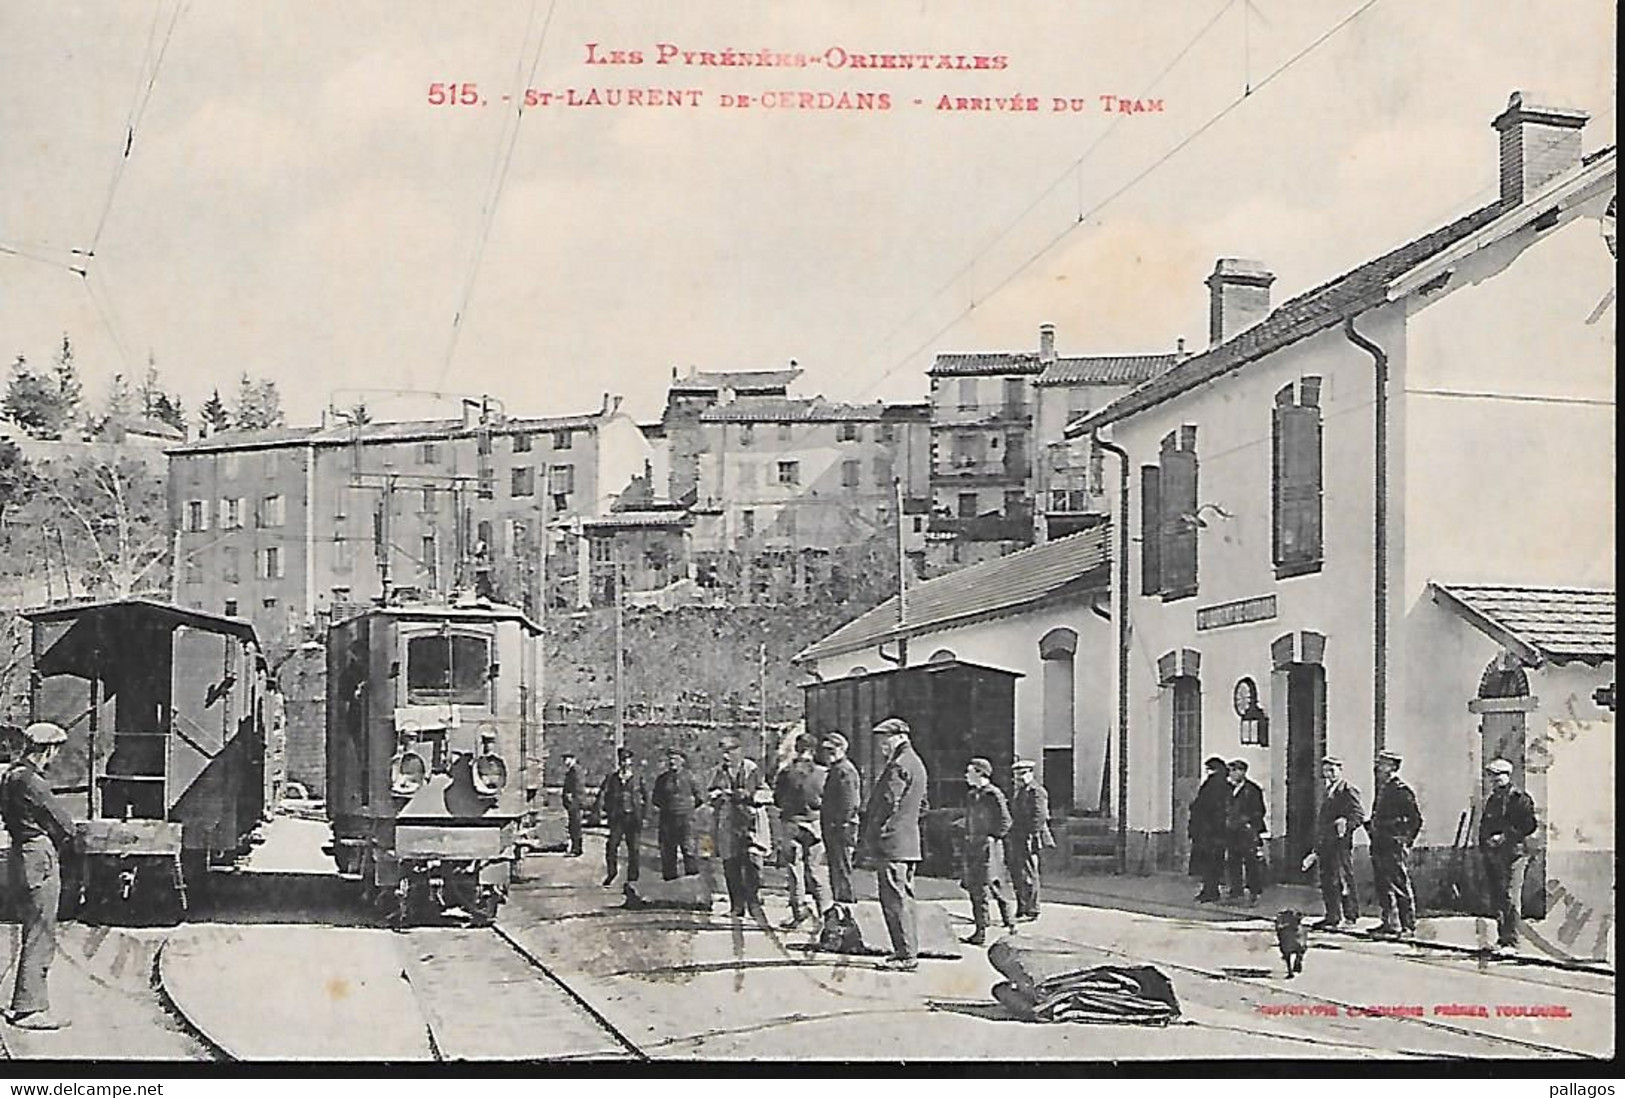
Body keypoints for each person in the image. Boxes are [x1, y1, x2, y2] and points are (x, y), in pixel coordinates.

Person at [1, 721, 77, 1030]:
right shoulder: (34, 782)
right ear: (49, 749)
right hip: (38, 854)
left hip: (19, 852)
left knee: (29, 929)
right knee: (41, 933)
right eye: (56, 750)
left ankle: (24, 1001)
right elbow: (65, 824)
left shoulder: (10, 776)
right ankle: (30, 1008)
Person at [858, 717, 929, 971]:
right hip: (908, 843)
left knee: (894, 900)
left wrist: (875, 833)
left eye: (884, 740)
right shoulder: (917, 764)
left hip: (891, 844)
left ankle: (905, 955)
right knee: (904, 899)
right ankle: (907, 951)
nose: (881, 746)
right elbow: (923, 806)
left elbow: (887, 802)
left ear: (898, 736)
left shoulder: (898, 766)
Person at [1479, 758, 1538, 951]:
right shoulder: (1493, 800)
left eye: (1498, 776)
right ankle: (1502, 938)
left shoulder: (1519, 798)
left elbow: (1528, 825)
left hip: (1514, 853)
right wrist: (1486, 843)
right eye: (1491, 776)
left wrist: (1504, 837)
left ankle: (1512, 941)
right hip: (1494, 854)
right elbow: (1485, 825)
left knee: (1511, 897)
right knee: (1498, 896)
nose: (1494, 780)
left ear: (1507, 776)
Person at [1301, 756, 1365, 929]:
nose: (1329, 773)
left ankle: (1350, 916)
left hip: (1340, 844)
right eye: (1326, 770)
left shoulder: (1348, 789)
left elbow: (1359, 815)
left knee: (1343, 880)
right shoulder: (1327, 791)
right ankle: (1332, 916)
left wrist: (1346, 822)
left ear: (1340, 769)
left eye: (1332, 770)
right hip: (1326, 843)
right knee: (1328, 880)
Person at [708, 735, 768, 917]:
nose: (726, 757)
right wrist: (718, 794)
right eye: (723, 752)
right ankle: (737, 906)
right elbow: (711, 792)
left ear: (738, 751)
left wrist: (749, 796)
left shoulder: (752, 769)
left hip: (751, 822)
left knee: (753, 864)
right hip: (729, 822)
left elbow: (765, 792)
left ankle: (754, 904)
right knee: (731, 865)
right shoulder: (720, 771)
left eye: (729, 752)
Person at [773, 733, 828, 928]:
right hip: (814, 824)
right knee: (815, 870)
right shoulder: (823, 773)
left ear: (797, 749)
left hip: (792, 824)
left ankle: (798, 911)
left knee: (794, 870)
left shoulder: (786, 772)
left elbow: (777, 800)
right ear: (814, 751)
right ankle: (825, 914)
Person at [960, 757, 1017, 945]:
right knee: (978, 887)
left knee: (990, 887)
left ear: (980, 773)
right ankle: (985, 929)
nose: (966, 776)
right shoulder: (972, 795)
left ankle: (1003, 926)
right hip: (973, 847)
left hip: (989, 848)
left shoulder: (994, 794)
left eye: (969, 772)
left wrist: (992, 837)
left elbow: (1006, 821)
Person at [1367, 751, 1423, 937]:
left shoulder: (1401, 790)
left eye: (1383, 765)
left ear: (1393, 767)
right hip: (1380, 843)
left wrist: (1405, 841)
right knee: (1383, 884)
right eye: (1379, 764)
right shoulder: (1384, 789)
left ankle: (1408, 925)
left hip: (1393, 845)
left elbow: (1415, 819)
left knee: (1399, 884)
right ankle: (1389, 923)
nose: (1378, 768)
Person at [1005, 758, 1054, 922]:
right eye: (1017, 775)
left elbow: (1039, 816)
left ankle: (1033, 908)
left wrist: (1029, 834)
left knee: (1030, 873)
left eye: (1023, 774)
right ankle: (1022, 906)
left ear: (1031, 773)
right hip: (1018, 836)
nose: (1020, 778)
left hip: (1030, 837)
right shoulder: (1020, 791)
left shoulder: (1037, 791)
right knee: (1017, 873)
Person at [818, 731, 861, 910]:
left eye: (832, 750)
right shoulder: (837, 770)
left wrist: (841, 823)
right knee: (837, 868)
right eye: (826, 750)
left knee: (842, 869)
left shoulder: (844, 771)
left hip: (841, 828)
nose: (828, 754)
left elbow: (849, 802)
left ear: (842, 749)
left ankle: (846, 907)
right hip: (835, 826)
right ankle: (841, 905)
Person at [651, 748, 703, 880]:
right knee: (668, 853)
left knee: (689, 851)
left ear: (682, 761)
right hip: (667, 820)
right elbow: (656, 799)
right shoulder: (662, 779)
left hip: (686, 820)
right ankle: (670, 887)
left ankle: (693, 886)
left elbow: (700, 797)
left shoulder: (691, 777)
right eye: (670, 759)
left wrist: (686, 808)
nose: (672, 762)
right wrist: (669, 808)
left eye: (675, 759)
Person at [598, 748, 647, 888]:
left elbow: (647, 797)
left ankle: (633, 878)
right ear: (619, 762)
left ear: (631, 762)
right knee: (611, 846)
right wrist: (606, 810)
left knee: (634, 848)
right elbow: (604, 795)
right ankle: (611, 873)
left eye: (627, 760)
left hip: (633, 817)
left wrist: (645, 816)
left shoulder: (638, 777)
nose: (625, 763)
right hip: (618, 818)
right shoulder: (612, 778)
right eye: (623, 760)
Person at [1224, 759, 1267, 905]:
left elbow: (1259, 810)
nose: (1231, 774)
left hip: (1247, 832)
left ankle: (1254, 892)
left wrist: (1247, 822)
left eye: (1234, 771)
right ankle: (1236, 891)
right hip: (1231, 831)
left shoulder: (1252, 790)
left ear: (1242, 772)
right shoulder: (1228, 788)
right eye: (1230, 771)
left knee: (1251, 862)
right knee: (1233, 860)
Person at [1189, 756, 1230, 903]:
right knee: (1213, 862)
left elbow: (1204, 806)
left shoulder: (1213, 784)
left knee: (1209, 862)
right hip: (1215, 831)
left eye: (1209, 768)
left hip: (1209, 831)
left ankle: (1210, 891)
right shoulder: (1223, 784)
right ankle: (1210, 890)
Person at [560, 752, 584, 857]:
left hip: (575, 803)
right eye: (564, 759)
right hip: (573, 803)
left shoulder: (576, 770)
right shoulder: (572, 770)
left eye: (567, 759)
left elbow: (578, 786)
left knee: (575, 826)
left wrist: (572, 798)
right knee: (573, 826)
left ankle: (577, 849)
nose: (565, 761)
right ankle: (575, 848)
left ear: (573, 758)